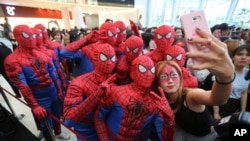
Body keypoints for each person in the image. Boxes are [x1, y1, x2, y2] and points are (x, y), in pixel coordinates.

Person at [154, 28, 235, 141]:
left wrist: (226, 77)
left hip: (204, 136)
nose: (170, 80)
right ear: (157, 81)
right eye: (163, 77)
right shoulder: (158, 97)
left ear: (180, 78)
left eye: (173, 75)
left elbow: (217, 99)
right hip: (181, 131)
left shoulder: (190, 95)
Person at [4, 25, 70, 141]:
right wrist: (34, 105)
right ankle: (48, 137)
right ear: (17, 37)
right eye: (26, 35)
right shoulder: (12, 60)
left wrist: (59, 90)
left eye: (33, 35)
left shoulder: (43, 54)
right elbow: (22, 84)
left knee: (57, 113)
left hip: (52, 90)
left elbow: (53, 73)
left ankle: (58, 132)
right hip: (38, 95)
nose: (31, 38)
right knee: (45, 121)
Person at [94, 55, 175, 141]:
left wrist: (169, 117)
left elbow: (165, 138)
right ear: (133, 72)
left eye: (151, 70)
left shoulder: (157, 102)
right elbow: (99, 117)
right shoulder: (116, 92)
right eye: (143, 69)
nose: (148, 74)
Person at [63, 43, 117, 141]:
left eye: (112, 58)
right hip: (86, 129)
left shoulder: (115, 81)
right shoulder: (78, 83)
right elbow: (68, 120)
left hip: (109, 128)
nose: (109, 63)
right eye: (104, 58)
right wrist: (95, 97)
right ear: (95, 59)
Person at [213, 44, 250, 119]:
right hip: (220, 104)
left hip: (234, 106)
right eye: (240, 54)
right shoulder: (224, 71)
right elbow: (214, 93)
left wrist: (243, 111)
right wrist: (216, 112)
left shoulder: (248, 73)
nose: (243, 57)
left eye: (247, 55)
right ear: (233, 57)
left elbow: (243, 93)